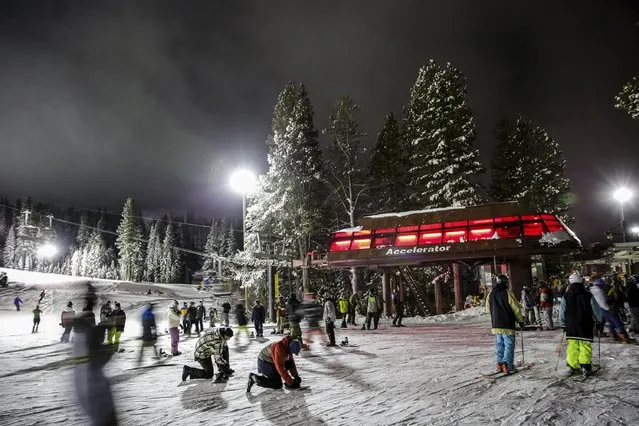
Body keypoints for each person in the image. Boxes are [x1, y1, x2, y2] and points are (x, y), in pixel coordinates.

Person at [73, 284, 117, 425]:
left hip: (92, 394)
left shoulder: (81, 339)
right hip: (97, 397)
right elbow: (97, 358)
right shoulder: (87, 344)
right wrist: (108, 350)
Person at [559, 273, 601, 377]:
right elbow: (595, 309)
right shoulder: (588, 295)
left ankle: (572, 366)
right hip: (585, 324)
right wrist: (599, 321)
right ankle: (585, 367)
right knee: (584, 345)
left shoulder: (566, 296)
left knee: (572, 345)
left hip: (571, 325)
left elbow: (562, 311)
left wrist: (563, 323)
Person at [486, 274, 524, 374]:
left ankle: (499, 364)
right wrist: (521, 321)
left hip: (496, 324)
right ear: (505, 282)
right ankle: (508, 365)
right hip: (507, 323)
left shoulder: (491, 294)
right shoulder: (507, 293)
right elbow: (515, 308)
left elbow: (487, 308)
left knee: (500, 344)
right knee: (508, 344)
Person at [590, 276, 630, 343]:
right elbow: (601, 301)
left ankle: (613, 335)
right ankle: (624, 336)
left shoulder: (594, 290)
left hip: (600, 309)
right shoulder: (598, 291)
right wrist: (608, 308)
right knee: (616, 321)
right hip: (604, 308)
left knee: (611, 322)